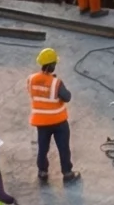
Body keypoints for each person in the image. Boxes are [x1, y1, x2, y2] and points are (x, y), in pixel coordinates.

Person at [29, 49, 79, 185]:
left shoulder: (32, 79)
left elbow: (34, 93)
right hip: (58, 122)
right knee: (63, 147)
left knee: (43, 148)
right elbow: (67, 97)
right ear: (51, 65)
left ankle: (42, 172)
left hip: (41, 123)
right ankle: (67, 173)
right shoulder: (56, 83)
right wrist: (54, 81)